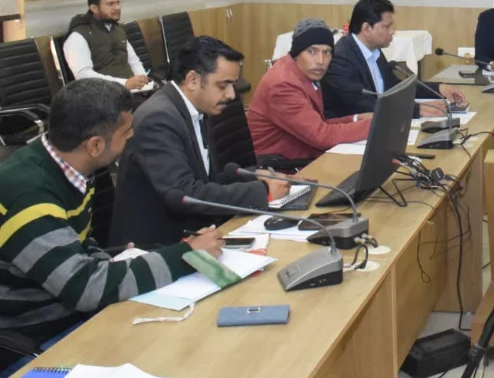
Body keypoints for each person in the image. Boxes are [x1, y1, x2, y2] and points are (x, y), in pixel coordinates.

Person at [0, 81, 223, 373]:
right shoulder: (30, 195)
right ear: (95, 145)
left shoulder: (68, 165)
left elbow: (75, 241)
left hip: (68, 313)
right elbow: (83, 288)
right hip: (35, 337)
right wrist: (186, 255)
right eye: (126, 132)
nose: (131, 136)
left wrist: (111, 259)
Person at [111, 37, 289, 247]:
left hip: (194, 232)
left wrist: (253, 176)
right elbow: (183, 193)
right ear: (193, 80)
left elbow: (203, 179)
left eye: (232, 85)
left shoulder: (195, 109)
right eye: (223, 85)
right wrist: (261, 192)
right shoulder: (158, 119)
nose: (231, 94)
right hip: (156, 246)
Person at [248, 19, 373, 161]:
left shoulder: (301, 71)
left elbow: (318, 124)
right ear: (297, 53)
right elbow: (322, 136)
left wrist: (356, 119)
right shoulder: (282, 86)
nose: (320, 61)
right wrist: (374, 124)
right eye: (312, 51)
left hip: (301, 153)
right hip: (282, 166)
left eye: (326, 52)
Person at [324, 0, 466, 119]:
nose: (392, 31)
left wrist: (439, 89)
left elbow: (395, 87)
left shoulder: (374, 50)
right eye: (387, 27)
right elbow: (364, 105)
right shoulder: (340, 59)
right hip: (352, 134)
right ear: (367, 29)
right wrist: (418, 109)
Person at [62, 0, 152, 92]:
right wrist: (125, 84)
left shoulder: (117, 29)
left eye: (118, 3)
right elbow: (83, 75)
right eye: (110, 4)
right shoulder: (78, 36)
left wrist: (143, 83)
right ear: (94, 8)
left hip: (133, 92)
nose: (117, 8)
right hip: (104, 96)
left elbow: (133, 60)